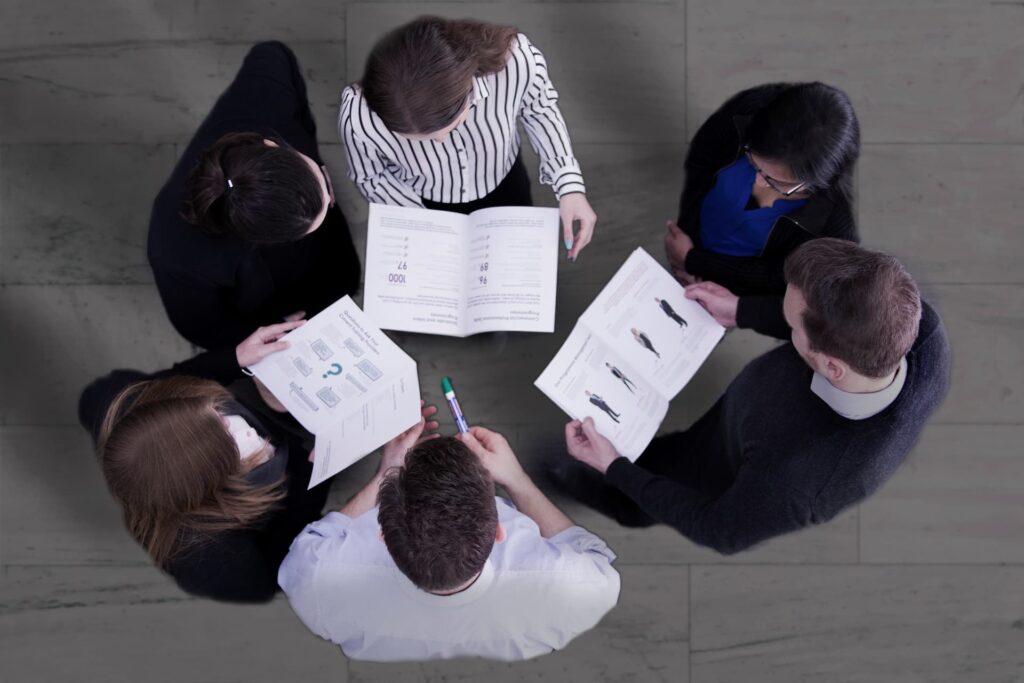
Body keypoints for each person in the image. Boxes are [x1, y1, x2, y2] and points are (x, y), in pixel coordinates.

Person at [553, 239, 950, 555]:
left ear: (832, 367)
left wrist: (615, 467)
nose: (784, 318)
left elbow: (719, 530)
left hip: (715, 472)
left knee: (637, 494)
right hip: (736, 419)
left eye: (792, 323)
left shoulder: (799, 484)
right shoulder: (913, 322)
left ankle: (578, 479)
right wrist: (740, 311)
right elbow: (818, 321)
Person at [279, 421, 620, 661]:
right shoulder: (575, 587)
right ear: (499, 531)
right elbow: (590, 553)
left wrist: (387, 471)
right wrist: (518, 480)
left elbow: (317, 540)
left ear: (383, 535)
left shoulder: (317, 578)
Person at [78, 320, 334, 602]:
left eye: (219, 418)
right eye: (234, 450)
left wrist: (235, 358)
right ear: (215, 489)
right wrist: (314, 479)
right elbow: (266, 578)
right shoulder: (209, 560)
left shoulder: (118, 403)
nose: (246, 430)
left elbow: (175, 382)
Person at [149, 41, 361, 355]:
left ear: (273, 145)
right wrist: (264, 334)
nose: (333, 199)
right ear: (268, 239)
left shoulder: (270, 93)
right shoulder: (180, 256)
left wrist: (302, 119)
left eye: (322, 180)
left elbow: (273, 53)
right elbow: (202, 327)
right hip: (269, 302)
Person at [339, 16, 597, 261]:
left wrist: (569, 185)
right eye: (418, 138)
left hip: (505, 184)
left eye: (450, 127)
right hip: (424, 202)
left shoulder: (517, 61)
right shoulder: (359, 113)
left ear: (467, 88)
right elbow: (372, 176)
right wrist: (423, 224)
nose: (439, 143)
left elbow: (539, 109)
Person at [665, 82, 860, 339]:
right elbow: (701, 163)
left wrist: (697, 263)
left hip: (737, 284)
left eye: (776, 182)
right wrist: (686, 235)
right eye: (753, 162)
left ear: (818, 182)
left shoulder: (833, 229)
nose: (758, 181)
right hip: (694, 240)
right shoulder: (747, 113)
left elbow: (780, 280)